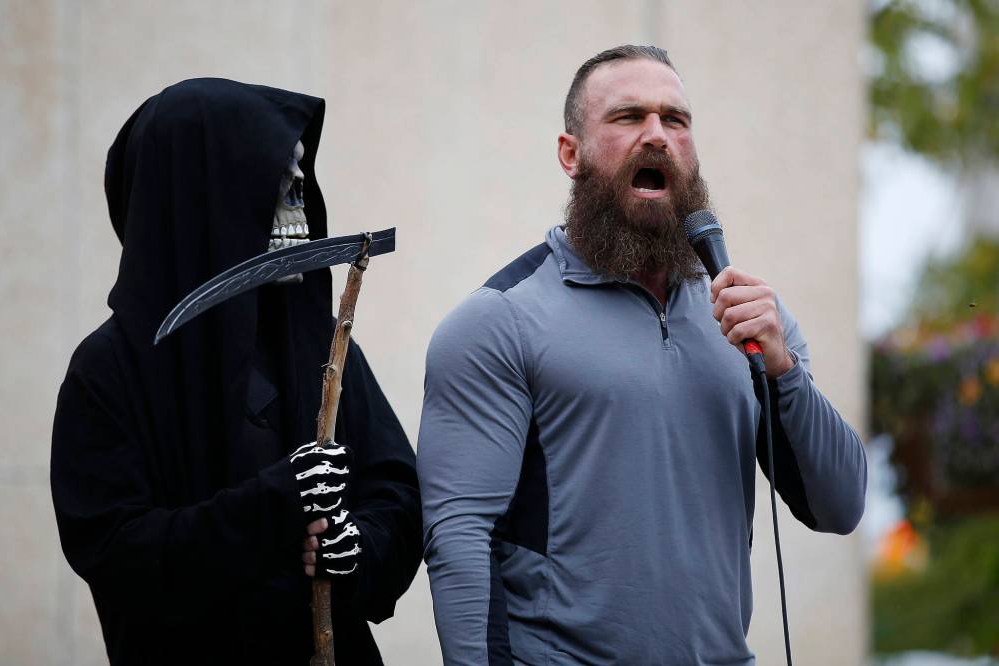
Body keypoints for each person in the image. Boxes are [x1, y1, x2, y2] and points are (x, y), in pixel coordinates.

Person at [417, 45, 867, 665]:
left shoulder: (751, 319)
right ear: (570, 154)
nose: (657, 135)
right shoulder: (499, 321)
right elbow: (460, 543)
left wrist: (785, 373)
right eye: (628, 117)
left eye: (675, 120)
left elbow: (840, 506)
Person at [50, 78, 421, 665]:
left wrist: (358, 550)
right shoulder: (109, 370)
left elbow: (395, 490)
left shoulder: (318, 342)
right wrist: (273, 504)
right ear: (205, 195)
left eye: (300, 176)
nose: (301, 190)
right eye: (275, 177)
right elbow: (114, 552)